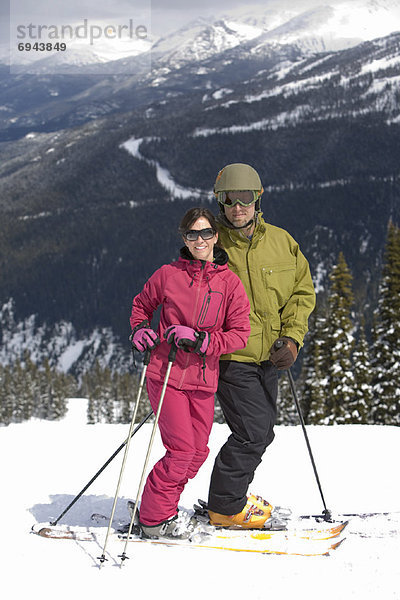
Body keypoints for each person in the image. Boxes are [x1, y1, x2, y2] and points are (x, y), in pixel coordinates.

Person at [130, 207, 251, 539]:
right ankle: (154, 520)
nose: (200, 240)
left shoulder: (230, 284)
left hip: (202, 379)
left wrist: (202, 340)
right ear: (184, 237)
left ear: (216, 235)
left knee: (196, 453)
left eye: (206, 233)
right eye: (192, 234)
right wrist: (139, 330)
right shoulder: (168, 274)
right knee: (181, 450)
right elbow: (141, 305)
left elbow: (240, 333)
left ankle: (161, 508)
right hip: (165, 373)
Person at [207, 163, 316, 529]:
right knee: (253, 432)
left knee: (260, 432)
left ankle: (230, 499)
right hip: (232, 356)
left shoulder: (282, 242)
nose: (237, 208)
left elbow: (301, 292)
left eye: (245, 199)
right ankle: (225, 507)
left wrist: (293, 337)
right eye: (229, 200)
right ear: (220, 202)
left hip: (271, 356)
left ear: (258, 199)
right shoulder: (210, 246)